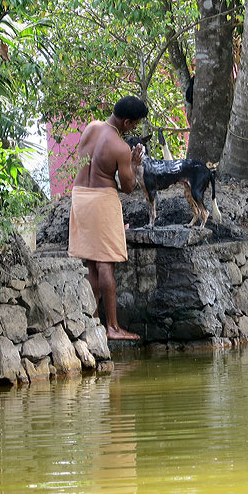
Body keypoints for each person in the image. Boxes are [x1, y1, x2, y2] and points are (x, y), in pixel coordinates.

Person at [68, 96, 147, 340]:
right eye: (134, 125)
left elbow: (85, 162)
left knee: (91, 262)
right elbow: (128, 187)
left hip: (80, 196)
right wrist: (132, 164)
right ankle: (112, 327)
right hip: (102, 200)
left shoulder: (91, 127)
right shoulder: (121, 148)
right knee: (105, 263)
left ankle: (94, 321)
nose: (133, 129)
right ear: (126, 122)